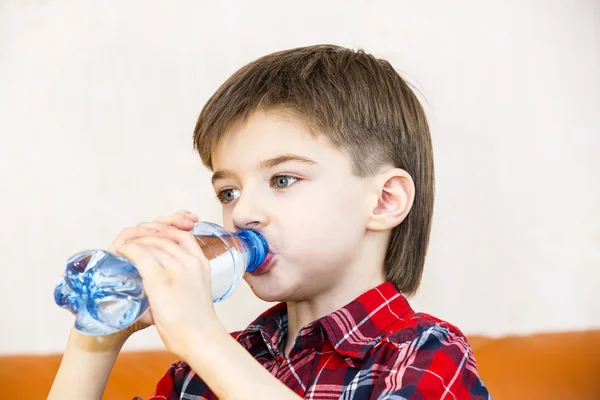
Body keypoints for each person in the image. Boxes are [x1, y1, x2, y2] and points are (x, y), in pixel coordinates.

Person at [48, 45, 491, 399]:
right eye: (228, 192)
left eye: (282, 179)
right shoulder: (201, 374)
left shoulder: (423, 354)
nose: (241, 213)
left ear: (383, 201)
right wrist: (98, 336)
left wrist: (203, 338)